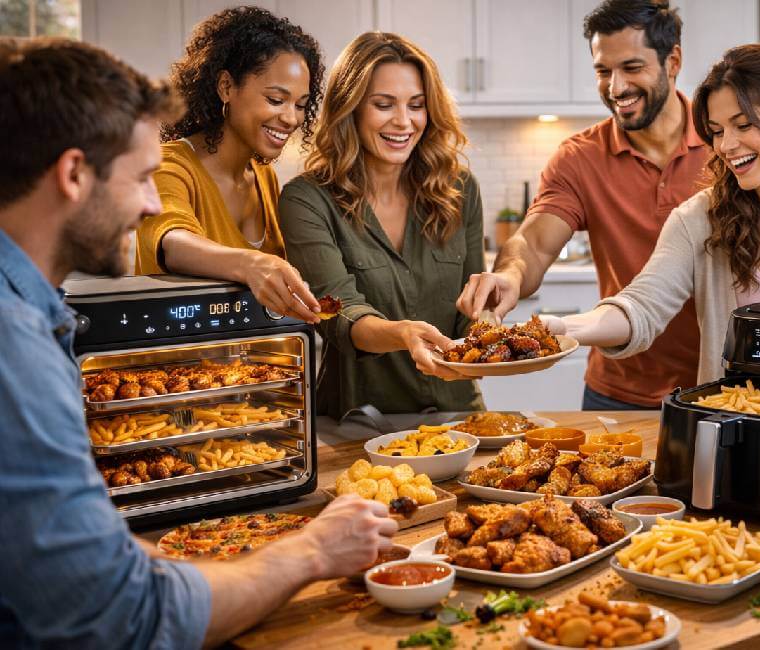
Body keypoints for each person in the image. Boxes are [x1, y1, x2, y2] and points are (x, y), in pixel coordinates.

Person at [0, 38, 397, 648]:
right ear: (74, 174)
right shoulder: (16, 350)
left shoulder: (29, 313)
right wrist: (311, 550)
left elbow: (73, 548)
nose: (151, 203)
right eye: (139, 179)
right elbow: (126, 617)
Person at [541, 44, 760, 380]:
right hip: (737, 431)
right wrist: (566, 328)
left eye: (744, 125)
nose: (726, 146)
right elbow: (642, 305)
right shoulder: (699, 219)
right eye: (716, 131)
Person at [455, 0, 708, 410]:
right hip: (618, 391)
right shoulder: (580, 157)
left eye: (631, 67)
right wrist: (509, 277)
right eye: (602, 71)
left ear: (672, 60)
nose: (615, 88)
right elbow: (534, 243)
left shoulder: (727, 144)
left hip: (719, 387)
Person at [279, 32, 482, 417]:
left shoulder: (459, 189)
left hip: (460, 415)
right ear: (351, 108)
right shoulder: (306, 200)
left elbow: (469, 312)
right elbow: (338, 315)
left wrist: (490, 318)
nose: (404, 122)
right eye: (383, 104)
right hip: (361, 421)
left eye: (417, 105)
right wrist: (405, 335)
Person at [135, 6, 323, 324]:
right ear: (226, 87)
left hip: (251, 370)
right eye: (276, 100)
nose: (291, 118)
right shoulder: (167, 166)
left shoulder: (264, 178)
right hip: (175, 372)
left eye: (301, 105)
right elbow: (173, 243)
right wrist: (252, 264)